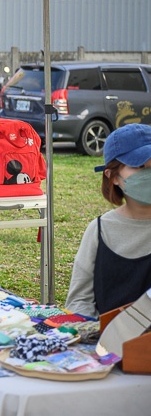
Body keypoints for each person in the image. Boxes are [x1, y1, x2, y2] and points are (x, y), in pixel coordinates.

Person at [66, 124, 151, 318]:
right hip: (108, 343)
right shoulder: (99, 231)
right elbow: (79, 301)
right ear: (113, 176)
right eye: (139, 165)